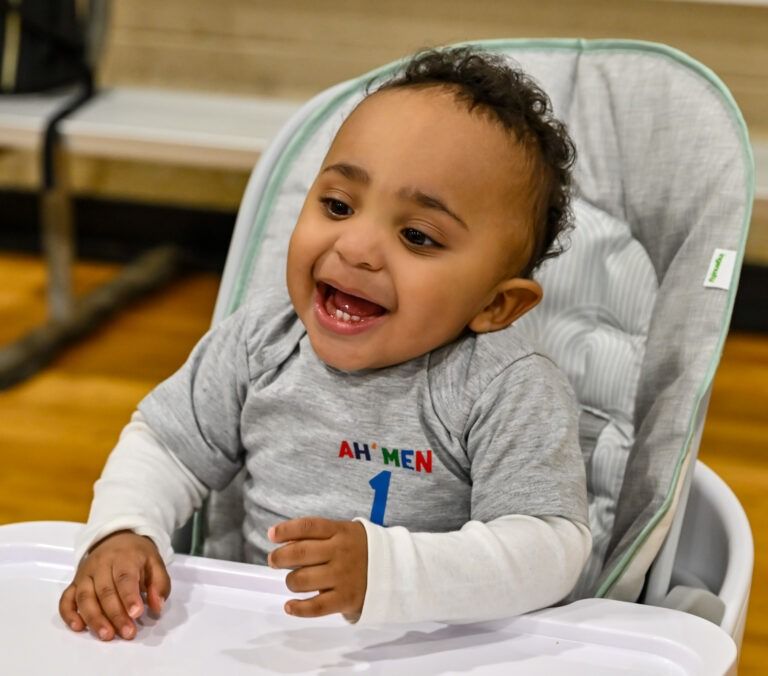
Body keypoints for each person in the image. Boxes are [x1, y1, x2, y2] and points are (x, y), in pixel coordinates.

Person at [58, 46, 591, 641]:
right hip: (253, 639)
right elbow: (168, 446)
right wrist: (124, 530)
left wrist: (389, 573)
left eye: (417, 235)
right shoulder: (264, 341)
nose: (356, 247)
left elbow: (550, 549)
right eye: (338, 205)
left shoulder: (503, 386)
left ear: (496, 305)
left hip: (422, 649)